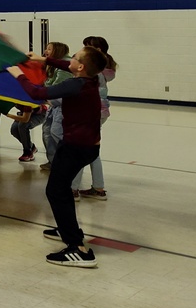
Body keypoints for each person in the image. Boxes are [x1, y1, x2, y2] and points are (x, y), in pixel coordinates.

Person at [9, 45, 108, 268]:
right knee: (60, 189)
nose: (69, 59)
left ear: (81, 66)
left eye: (74, 57)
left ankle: (78, 248)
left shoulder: (75, 84)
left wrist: (19, 75)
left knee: (55, 190)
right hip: (85, 146)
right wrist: (43, 60)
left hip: (76, 147)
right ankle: (68, 229)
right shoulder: (90, 79)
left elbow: (37, 93)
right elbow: (67, 65)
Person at [74, 36, 118, 199]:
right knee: (92, 150)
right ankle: (98, 188)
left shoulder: (94, 71)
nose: (83, 49)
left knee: (79, 149)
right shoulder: (103, 70)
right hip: (100, 112)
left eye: (87, 46)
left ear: (98, 50)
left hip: (91, 113)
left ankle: (73, 188)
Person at [38, 42, 72, 171]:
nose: (46, 51)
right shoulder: (52, 66)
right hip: (53, 104)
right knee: (47, 132)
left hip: (62, 104)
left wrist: (42, 87)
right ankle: (53, 161)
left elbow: (57, 86)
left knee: (56, 132)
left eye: (49, 49)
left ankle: (66, 161)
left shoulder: (65, 65)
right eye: (46, 48)